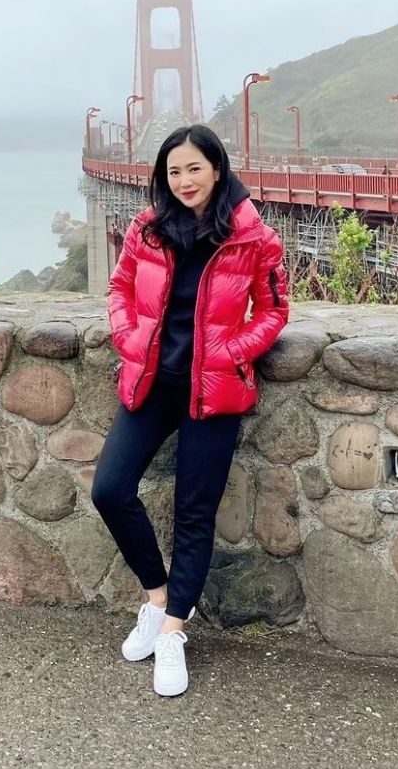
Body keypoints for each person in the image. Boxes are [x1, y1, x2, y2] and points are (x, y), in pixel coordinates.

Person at [91, 123, 288, 697]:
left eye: (194, 169)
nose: (183, 181)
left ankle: (174, 631)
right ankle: (157, 599)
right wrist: (129, 339)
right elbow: (119, 291)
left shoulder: (253, 237)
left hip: (214, 391)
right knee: (110, 489)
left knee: (194, 513)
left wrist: (230, 352)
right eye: (173, 172)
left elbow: (274, 311)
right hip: (152, 384)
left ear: (218, 169)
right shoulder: (147, 230)